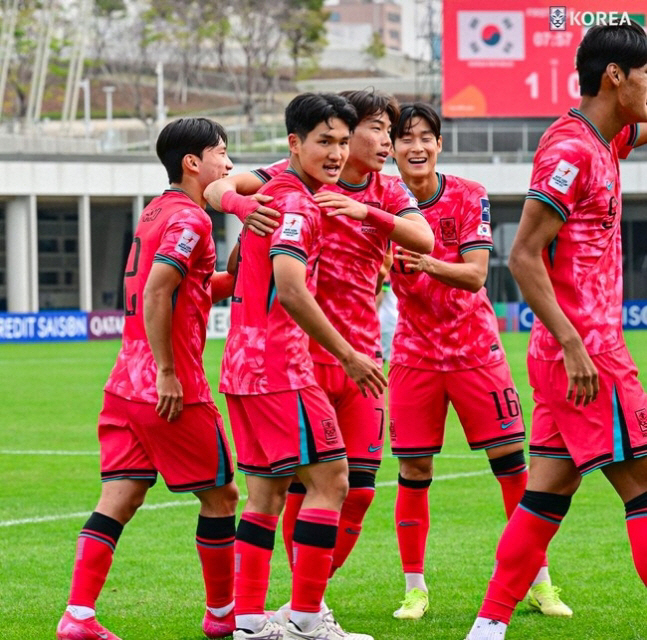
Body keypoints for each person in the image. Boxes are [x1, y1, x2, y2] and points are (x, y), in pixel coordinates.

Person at [205, 90, 434, 608]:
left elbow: (424, 240)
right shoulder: (287, 184)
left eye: (388, 131)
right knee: (304, 484)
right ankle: (304, 609)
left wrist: (363, 211)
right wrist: (241, 205)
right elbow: (219, 186)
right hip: (298, 358)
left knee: (357, 489)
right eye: (376, 128)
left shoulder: (387, 191)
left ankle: (293, 605)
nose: (386, 141)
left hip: (361, 360)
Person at [466, 22, 647, 640]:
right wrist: (574, 344)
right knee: (645, 489)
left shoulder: (605, 139)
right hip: (587, 353)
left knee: (544, 494)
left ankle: (488, 625)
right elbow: (523, 256)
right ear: (615, 77)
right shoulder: (569, 150)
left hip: (569, 354)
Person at [56, 118, 240, 640]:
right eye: (221, 153)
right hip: (168, 384)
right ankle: (224, 616)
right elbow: (160, 291)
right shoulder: (192, 220)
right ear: (192, 162)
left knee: (121, 494)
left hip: (123, 381)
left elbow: (192, 287)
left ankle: (79, 617)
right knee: (223, 495)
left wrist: (241, 263)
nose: (227, 164)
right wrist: (167, 373)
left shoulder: (157, 211)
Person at [387, 102, 571, 621]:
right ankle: (415, 590)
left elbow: (473, 275)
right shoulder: (382, 203)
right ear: (393, 149)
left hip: (475, 352)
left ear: (439, 145)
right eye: (406, 139)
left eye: (426, 137)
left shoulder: (469, 195)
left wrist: (423, 261)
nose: (416, 147)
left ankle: (539, 583)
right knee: (414, 469)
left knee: (513, 468)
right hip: (414, 356)